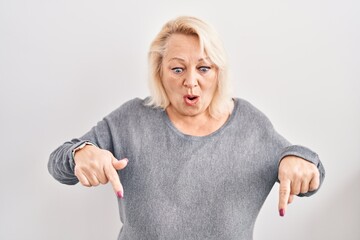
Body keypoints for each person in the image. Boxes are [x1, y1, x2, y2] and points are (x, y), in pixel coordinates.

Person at [48, 16, 325, 240]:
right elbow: (59, 163)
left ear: (218, 72)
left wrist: (298, 159)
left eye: (203, 68)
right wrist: (80, 153)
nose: (191, 82)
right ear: (160, 72)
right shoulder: (130, 120)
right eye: (178, 69)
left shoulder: (249, 125)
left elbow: (311, 178)